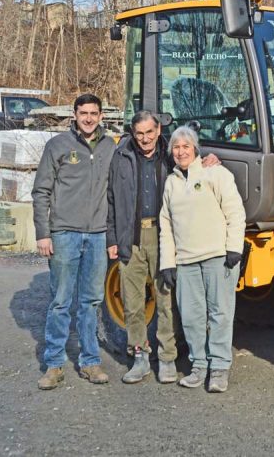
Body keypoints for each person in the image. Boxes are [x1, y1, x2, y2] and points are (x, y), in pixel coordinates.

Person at [106, 111, 220, 384]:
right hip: (130, 238)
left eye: (149, 132)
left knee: (166, 300)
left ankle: (167, 358)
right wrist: (112, 238)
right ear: (133, 134)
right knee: (133, 304)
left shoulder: (170, 157)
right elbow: (111, 199)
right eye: (139, 133)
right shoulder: (121, 158)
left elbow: (194, 168)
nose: (144, 138)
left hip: (163, 237)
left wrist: (211, 160)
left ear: (158, 131)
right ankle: (140, 357)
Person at [32, 94, 115, 390]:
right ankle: (54, 364)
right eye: (84, 113)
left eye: (94, 113)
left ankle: (90, 362)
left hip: (97, 235)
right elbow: (41, 191)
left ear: (101, 115)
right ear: (74, 115)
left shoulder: (111, 146)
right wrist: (43, 233)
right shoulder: (58, 146)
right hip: (64, 233)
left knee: (91, 302)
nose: (89, 118)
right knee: (60, 301)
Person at [158, 126, 246, 392]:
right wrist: (168, 263)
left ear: (195, 149)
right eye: (176, 147)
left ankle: (219, 368)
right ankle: (198, 367)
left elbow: (235, 211)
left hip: (218, 257)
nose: (181, 151)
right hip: (186, 261)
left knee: (220, 313)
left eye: (186, 146)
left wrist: (234, 248)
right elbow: (166, 225)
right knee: (192, 316)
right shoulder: (171, 183)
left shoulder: (215, 173)